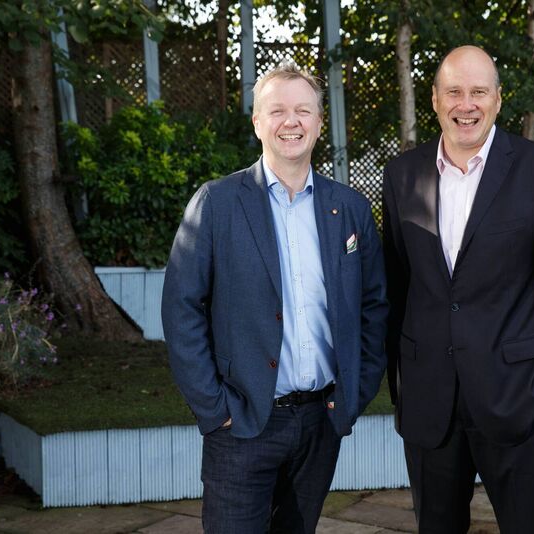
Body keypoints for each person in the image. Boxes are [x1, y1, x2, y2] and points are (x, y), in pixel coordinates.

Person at [162, 62, 388, 534]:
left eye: (303, 110)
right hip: (243, 424)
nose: (292, 121)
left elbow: (373, 308)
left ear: (320, 122)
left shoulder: (348, 208)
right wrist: (215, 409)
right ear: (257, 122)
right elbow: (182, 310)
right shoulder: (218, 203)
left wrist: (353, 395)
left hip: (320, 422)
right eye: (278, 110)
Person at [382, 45, 534, 533]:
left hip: (519, 399)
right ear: (434, 99)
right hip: (430, 401)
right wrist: (401, 383)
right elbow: (396, 285)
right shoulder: (401, 175)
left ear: (498, 100)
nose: (466, 104)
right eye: (454, 91)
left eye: (478, 92)